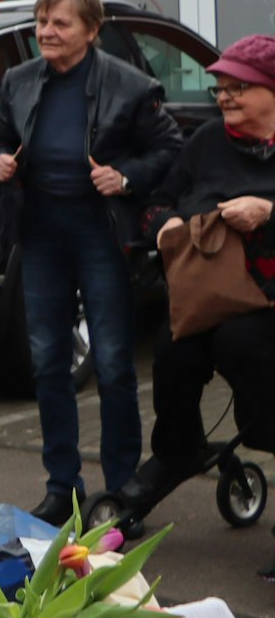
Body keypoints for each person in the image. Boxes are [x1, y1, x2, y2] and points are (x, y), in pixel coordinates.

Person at [0, 0, 182, 523]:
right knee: (48, 363)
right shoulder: (19, 81)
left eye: (60, 23)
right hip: (40, 236)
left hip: (102, 235)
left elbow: (170, 148)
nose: (46, 32)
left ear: (91, 32)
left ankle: (123, 494)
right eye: (42, 22)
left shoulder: (131, 85)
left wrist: (126, 176)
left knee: (114, 365)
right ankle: (61, 487)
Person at [112, 36, 275, 520]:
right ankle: (177, 451)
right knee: (174, 352)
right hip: (209, 292)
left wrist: (268, 212)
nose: (224, 97)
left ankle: (262, 430)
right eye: (220, 88)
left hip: (268, 299)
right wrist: (163, 223)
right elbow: (159, 199)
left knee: (240, 345)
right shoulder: (206, 141)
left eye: (238, 87)